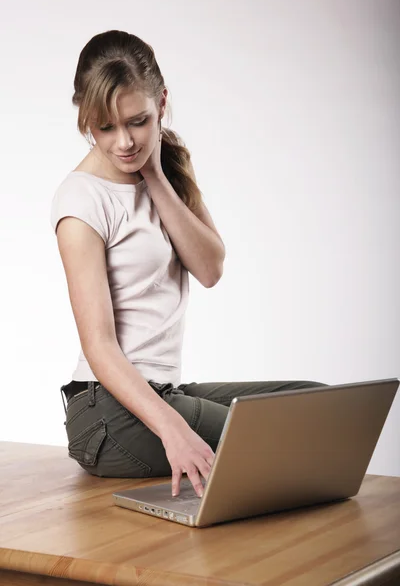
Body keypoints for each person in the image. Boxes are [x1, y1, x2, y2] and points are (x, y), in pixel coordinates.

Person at [51, 29, 330, 499]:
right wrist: (171, 428)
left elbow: (209, 269)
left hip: (161, 393)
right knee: (287, 438)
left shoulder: (168, 162)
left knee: (318, 408)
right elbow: (97, 345)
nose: (123, 142)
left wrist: (155, 175)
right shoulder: (81, 199)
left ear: (161, 101)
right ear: (86, 121)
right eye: (104, 127)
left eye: (138, 121)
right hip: (108, 413)